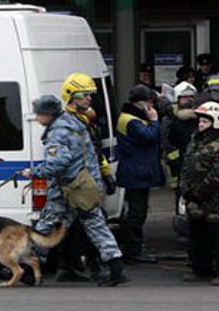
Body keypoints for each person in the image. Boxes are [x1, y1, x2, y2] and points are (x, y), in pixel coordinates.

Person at [22, 75, 128, 286]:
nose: (89, 99)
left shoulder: (58, 131)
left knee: (45, 227)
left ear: (46, 115)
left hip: (68, 188)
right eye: (85, 95)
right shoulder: (74, 122)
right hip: (85, 186)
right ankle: (116, 269)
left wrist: (34, 172)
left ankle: (28, 271)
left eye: (38, 115)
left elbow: (59, 162)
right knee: (96, 227)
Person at [180, 101, 219, 286]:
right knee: (198, 235)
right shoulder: (195, 140)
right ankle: (201, 270)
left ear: (216, 122)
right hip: (194, 198)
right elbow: (187, 166)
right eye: (200, 120)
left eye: (205, 121)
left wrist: (201, 192)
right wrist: (186, 190)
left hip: (215, 198)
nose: (200, 124)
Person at [116, 84, 165, 263]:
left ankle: (133, 247)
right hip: (136, 172)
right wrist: (154, 120)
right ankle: (133, 250)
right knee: (136, 213)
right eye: (150, 102)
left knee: (138, 210)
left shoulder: (133, 117)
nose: (152, 106)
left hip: (138, 171)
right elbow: (149, 136)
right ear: (142, 103)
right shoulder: (131, 120)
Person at [166, 82, 198, 203]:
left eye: (191, 97)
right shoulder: (170, 118)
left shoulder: (201, 117)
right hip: (179, 162)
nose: (189, 100)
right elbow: (168, 141)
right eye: (185, 97)